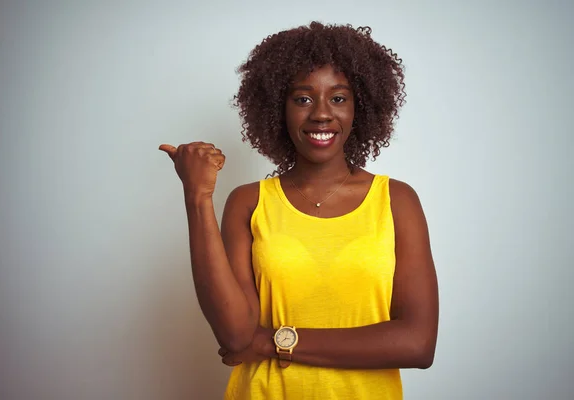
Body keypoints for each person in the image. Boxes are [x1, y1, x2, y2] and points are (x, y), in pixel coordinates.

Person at [159, 21, 438, 400]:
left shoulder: (396, 200)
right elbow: (235, 334)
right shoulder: (249, 201)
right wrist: (198, 197)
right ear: (278, 107)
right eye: (303, 99)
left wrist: (272, 342)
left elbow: (417, 344)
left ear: (361, 106)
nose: (321, 114)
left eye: (338, 98)